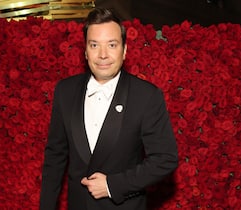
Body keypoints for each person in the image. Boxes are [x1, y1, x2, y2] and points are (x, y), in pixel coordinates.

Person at [39, 8, 178, 210]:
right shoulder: (65, 91)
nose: (103, 55)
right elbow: (55, 158)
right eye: (94, 45)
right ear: (85, 51)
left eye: (111, 45)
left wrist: (113, 185)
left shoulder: (146, 96)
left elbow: (165, 159)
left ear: (124, 50)